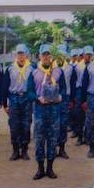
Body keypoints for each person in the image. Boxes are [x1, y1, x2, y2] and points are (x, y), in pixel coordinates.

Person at [31, 44, 65, 180]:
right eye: (44, 54)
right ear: (40, 56)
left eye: (48, 54)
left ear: (52, 56)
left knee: (52, 139)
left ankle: (50, 168)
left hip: (54, 110)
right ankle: (40, 169)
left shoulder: (58, 71)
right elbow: (29, 91)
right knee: (39, 139)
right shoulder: (34, 71)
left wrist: (61, 97)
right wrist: (37, 98)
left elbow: (64, 89)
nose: (46, 57)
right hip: (40, 109)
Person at [1, 44, 34, 161]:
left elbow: (35, 86)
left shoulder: (32, 69)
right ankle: (15, 150)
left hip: (26, 99)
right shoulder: (10, 69)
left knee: (26, 125)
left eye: (23, 54)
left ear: (26, 55)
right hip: (14, 99)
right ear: (16, 55)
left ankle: (24, 150)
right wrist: (5, 104)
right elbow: (5, 87)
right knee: (14, 125)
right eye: (19, 54)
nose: (21, 56)